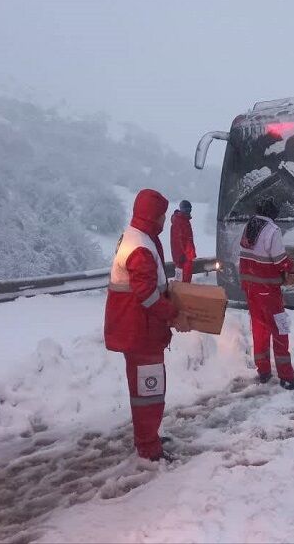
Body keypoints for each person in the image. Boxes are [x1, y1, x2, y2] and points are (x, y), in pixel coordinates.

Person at [104, 189, 189, 461]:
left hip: (137, 328)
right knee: (149, 391)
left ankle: (147, 436)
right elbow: (147, 294)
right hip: (141, 330)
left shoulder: (137, 236)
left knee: (145, 389)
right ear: (155, 216)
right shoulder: (140, 246)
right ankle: (149, 447)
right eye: (163, 215)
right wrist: (173, 313)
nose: (165, 220)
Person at [238, 197, 294, 390]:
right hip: (268, 292)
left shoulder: (249, 226)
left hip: (251, 289)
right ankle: (286, 376)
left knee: (260, 330)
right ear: (273, 213)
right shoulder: (272, 231)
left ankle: (264, 371)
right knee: (280, 331)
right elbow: (281, 262)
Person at [170, 200, 197, 283]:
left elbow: (185, 239)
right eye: (186, 209)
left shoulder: (184, 220)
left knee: (183, 279)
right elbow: (178, 241)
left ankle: (183, 293)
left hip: (185, 255)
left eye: (189, 209)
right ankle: (183, 294)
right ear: (182, 209)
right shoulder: (180, 221)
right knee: (184, 280)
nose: (188, 211)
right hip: (183, 257)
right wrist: (182, 256)